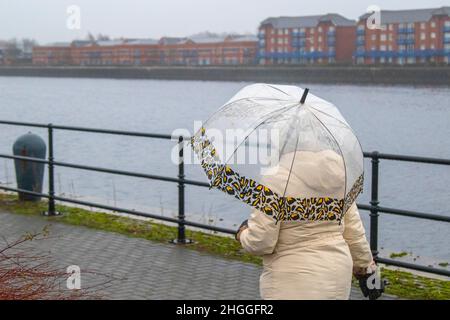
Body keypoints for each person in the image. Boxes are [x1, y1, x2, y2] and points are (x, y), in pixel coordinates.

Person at [236, 149, 377, 300]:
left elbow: (261, 242)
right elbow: (354, 232)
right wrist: (368, 271)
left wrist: (243, 233)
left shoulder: (275, 179)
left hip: (291, 278)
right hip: (337, 272)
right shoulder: (339, 175)